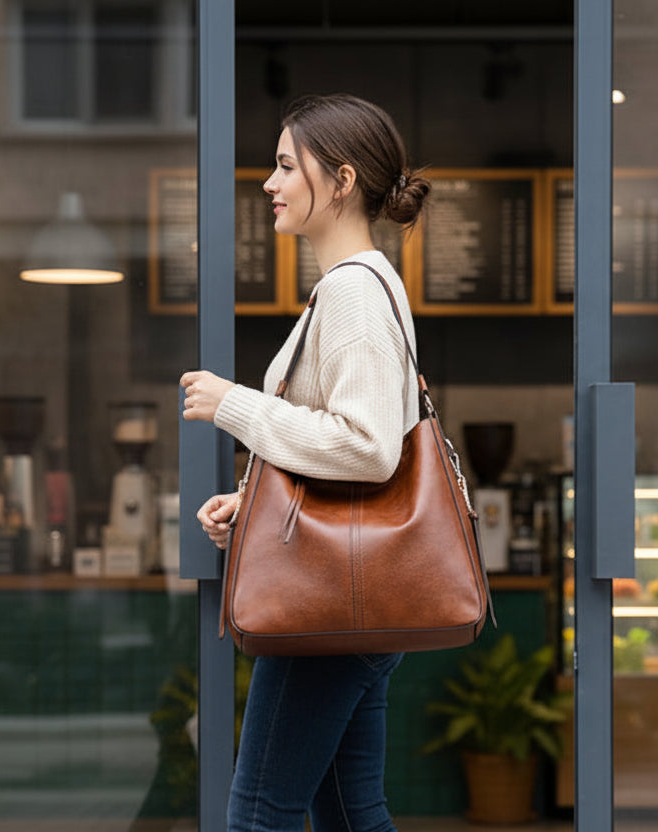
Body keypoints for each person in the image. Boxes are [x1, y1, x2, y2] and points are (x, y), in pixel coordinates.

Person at [179, 93, 430, 832]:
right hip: (354, 594)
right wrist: (255, 500)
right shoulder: (359, 286)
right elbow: (349, 440)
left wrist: (233, 404)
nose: (270, 182)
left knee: (260, 812)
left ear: (343, 180)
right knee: (351, 812)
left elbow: (366, 445)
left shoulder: (353, 291)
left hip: (329, 601)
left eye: (287, 165)